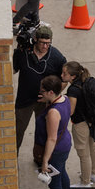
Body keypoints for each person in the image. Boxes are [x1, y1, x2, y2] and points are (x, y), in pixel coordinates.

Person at [15, 24, 67, 152]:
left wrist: (52, 95)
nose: (45, 46)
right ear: (35, 40)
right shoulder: (24, 53)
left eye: (48, 43)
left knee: (43, 131)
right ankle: (13, 157)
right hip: (24, 101)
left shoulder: (56, 57)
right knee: (17, 131)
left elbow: (65, 79)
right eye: (42, 43)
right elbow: (11, 69)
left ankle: (39, 157)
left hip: (44, 104)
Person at [36, 74, 74, 189]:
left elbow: (51, 138)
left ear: (51, 92)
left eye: (43, 91)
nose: (41, 93)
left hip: (56, 149)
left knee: (54, 182)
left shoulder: (53, 112)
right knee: (62, 173)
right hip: (65, 144)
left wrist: (45, 161)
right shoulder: (63, 99)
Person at [63, 62, 95, 189]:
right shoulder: (86, 82)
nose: (62, 75)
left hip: (80, 124)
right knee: (92, 147)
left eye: (65, 73)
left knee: (83, 153)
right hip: (91, 121)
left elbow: (71, 111)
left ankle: (85, 181)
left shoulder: (73, 90)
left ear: (73, 76)